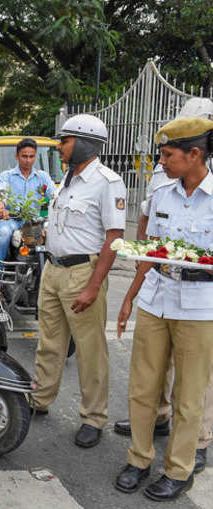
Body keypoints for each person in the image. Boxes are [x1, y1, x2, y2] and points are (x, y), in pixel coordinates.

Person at [114, 117, 213, 501]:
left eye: (169, 154)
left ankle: (179, 470)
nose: (163, 161)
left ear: (194, 154)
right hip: (157, 299)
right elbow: (149, 251)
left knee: (189, 397)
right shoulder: (163, 196)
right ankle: (139, 459)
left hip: (200, 307)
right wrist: (129, 297)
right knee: (143, 387)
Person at [31, 114, 126, 449]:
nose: (60, 146)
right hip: (53, 270)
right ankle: (40, 398)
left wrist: (93, 286)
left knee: (90, 350)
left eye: (65, 140)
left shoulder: (106, 182)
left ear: (85, 143)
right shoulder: (66, 180)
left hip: (83, 273)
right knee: (50, 342)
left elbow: (114, 238)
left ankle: (93, 417)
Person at [0, 138, 56, 273]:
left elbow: (55, 196)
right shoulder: (7, 175)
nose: (28, 160)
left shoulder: (42, 177)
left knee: (55, 234)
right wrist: (1, 208)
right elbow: (0, 193)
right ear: (17, 156)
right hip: (11, 220)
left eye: (31, 156)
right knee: (4, 233)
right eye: (24, 156)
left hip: (34, 222)